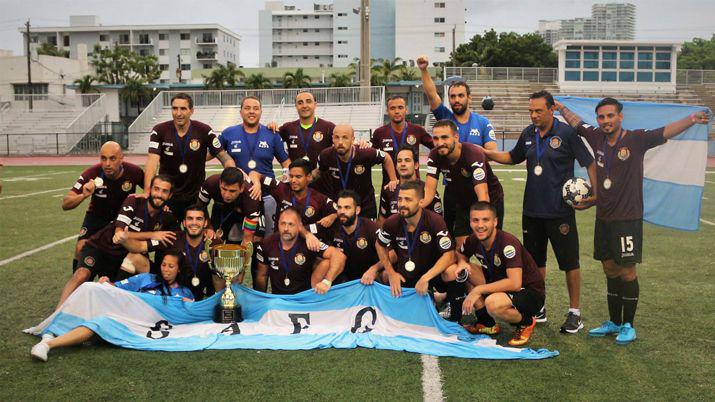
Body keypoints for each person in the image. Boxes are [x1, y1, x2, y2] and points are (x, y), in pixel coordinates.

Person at [555, 97, 710, 344]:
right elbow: (577, 124)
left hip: (627, 219)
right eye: (601, 117)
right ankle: (614, 322)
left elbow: (666, 131)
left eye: (610, 116)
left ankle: (628, 325)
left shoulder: (636, 139)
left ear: (620, 117)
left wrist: (692, 119)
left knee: (627, 271)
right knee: (609, 268)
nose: (605, 121)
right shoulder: (596, 137)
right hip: (603, 218)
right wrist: (560, 108)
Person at [482, 90, 597, 332]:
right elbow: (513, 157)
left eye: (538, 111)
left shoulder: (567, 133)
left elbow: (589, 162)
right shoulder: (528, 134)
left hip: (560, 212)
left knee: (569, 263)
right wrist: (486, 154)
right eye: (531, 111)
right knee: (535, 264)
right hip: (532, 211)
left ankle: (574, 312)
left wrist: (594, 194)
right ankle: (539, 307)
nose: (533, 115)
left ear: (551, 109)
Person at [30, 251, 193, 362]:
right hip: (123, 317)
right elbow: (116, 287)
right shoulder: (146, 278)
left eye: (171, 266)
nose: (165, 269)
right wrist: (106, 282)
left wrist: (188, 306)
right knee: (91, 289)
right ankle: (48, 339)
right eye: (164, 265)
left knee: (99, 324)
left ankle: (49, 339)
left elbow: (186, 318)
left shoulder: (184, 293)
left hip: (141, 328)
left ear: (179, 269)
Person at [54, 175, 179, 309]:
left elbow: (173, 239)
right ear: (149, 189)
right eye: (156, 189)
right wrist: (152, 234)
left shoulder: (167, 218)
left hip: (122, 259)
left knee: (131, 269)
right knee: (81, 274)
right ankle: (57, 313)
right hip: (101, 248)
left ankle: (113, 309)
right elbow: (119, 234)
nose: (159, 195)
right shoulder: (134, 201)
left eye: (164, 191)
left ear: (170, 195)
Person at [418, 54, 497, 241]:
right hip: (453, 191)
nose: (456, 100)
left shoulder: (483, 122)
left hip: (479, 186)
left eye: (461, 95)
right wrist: (423, 69)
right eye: (452, 96)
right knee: (453, 237)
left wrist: (470, 157)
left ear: (469, 97)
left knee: (484, 237)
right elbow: (431, 94)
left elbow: (491, 153)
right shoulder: (445, 119)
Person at [456, 202, 545, 347]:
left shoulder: (507, 243)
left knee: (493, 304)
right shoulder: (473, 239)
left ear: (495, 221)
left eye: (485, 220)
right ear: (470, 222)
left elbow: (515, 284)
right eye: (475, 220)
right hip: (499, 281)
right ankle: (486, 322)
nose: (480, 225)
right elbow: (459, 254)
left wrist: (478, 290)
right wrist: (462, 262)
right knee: (462, 270)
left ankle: (526, 322)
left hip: (529, 292)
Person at [144, 93, 235, 221]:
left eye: (183, 109)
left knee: (198, 236)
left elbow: (224, 157)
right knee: (166, 236)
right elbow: (152, 162)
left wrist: (232, 176)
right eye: (175, 108)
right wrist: (147, 192)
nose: (178, 113)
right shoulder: (159, 130)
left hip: (195, 196)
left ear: (191, 111)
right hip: (168, 195)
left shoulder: (204, 131)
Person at [62, 141, 144, 273]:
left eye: (112, 158)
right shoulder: (91, 173)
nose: (107, 164)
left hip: (123, 218)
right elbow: (65, 203)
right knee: (80, 247)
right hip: (97, 216)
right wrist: (83, 195)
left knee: (134, 255)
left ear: (121, 158)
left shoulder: (135, 172)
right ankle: (78, 286)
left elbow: (151, 191)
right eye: (103, 158)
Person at [424, 120, 504, 247]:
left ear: (456, 137)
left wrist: (481, 219)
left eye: (444, 137)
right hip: (463, 202)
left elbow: (483, 194)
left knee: (490, 246)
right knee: (461, 248)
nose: (439, 143)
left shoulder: (472, 153)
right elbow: (429, 189)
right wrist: (418, 206)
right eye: (436, 138)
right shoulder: (434, 155)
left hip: (490, 200)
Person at [115, 204, 220, 301]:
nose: (194, 223)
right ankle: (117, 294)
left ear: (205, 223)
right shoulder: (172, 237)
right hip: (172, 288)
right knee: (134, 257)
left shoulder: (214, 243)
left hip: (201, 293)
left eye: (199, 219)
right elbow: (139, 247)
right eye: (190, 218)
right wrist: (124, 240)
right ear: (184, 222)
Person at [220, 96, 291, 235]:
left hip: (266, 196)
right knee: (234, 240)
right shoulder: (229, 133)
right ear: (240, 112)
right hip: (236, 196)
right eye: (247, 108)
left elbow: (286, 162)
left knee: (267, 239)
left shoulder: (272, 134)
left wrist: (285, 180)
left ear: (261, 112)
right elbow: (211, 153)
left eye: (255, 108)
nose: (251, 111)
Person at [375, 181, 459, 298]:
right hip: (407, 274)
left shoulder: (435, 221)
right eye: (400, 199)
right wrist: (391, 273)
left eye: (408, 200)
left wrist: (426, 277)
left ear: (421, 202)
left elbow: (449, 255)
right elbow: (379, 245)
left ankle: (452, 310)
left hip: (433, 274)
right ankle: (433, 298)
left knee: (452, 271)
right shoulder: (391, 222)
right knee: (384, 276)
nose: (402, 204)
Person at [255, 207, 346, 295]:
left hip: (303, 300)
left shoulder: (310, 242)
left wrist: (327, 281)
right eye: (283, 223)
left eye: (291, 224)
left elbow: (339, 256)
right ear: (278, 223)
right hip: (279, 301)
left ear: (299, 226)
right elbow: (262, 275)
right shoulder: (267, 243)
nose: (286, 228)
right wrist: (260, 300)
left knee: (327, 262)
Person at [316, 124, 398, 219]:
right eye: (337, 137)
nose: (340, 142)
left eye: (345, 138)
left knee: (365, 232)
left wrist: (393, 179)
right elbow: (318, 172)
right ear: (332, 138)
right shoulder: (325, 155)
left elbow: (386, 158)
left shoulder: (365, 153)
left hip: (365, 205)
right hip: (340, 206)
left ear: (353, 139)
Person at [260, 158, 337, 240]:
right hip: (281, 244)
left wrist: (333, 216)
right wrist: (257, 184)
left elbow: (341, 211)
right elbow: (256, 175)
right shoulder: (281, 189)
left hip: (306, 245)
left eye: (298, 177)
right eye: (291, 176)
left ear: (309, 177)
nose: (293, 180)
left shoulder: (319, 199)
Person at [371, 95, 434, 188]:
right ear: (387, 111)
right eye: (392, 108)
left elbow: (435, 148)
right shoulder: (379, 132)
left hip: (413, 187)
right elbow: (369, 155)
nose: (397, 111)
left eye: (400, 107)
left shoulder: (417, 130)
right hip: (389, 187)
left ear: (406, 110)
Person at [326, 190, 382, 283]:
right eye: (339, 207)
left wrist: (374, 269)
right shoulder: (331, 226)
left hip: (370, 278)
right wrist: (308, 236)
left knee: (386, 274)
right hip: (342, 279)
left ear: (357, 210)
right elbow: (303, 230)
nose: (342, 211)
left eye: (347, 207)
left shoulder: (371, 227)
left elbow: (392, 254)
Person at [378, 146, 442, 226]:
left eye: (407, 160)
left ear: (416, 165)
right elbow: (382, 222)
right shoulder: (389, 190)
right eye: (399, 161)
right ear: (396, 166)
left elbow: (438, 223)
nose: (403, 164)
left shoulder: (428, 191)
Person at [198, 167, 262, 245]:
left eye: (232, 191)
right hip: (221, 207)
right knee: (212, 240)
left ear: (241, 188)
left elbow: (247, 239)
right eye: (224, 189)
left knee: (255, 242)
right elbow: (200, 207)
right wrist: (208, 227)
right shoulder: (210, 183)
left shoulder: (252, 197)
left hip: (246, 211)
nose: (227, 195)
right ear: (219, 183)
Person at [276, 91, 336, 169]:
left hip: (321, 179)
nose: (304, 105)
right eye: (300, 103)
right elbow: (271, 141)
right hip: (296, 179)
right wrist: (271, 126)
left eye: (308, 101)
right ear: (296, 106)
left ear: (315, 104)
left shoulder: (329, 127)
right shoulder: (287, 128)